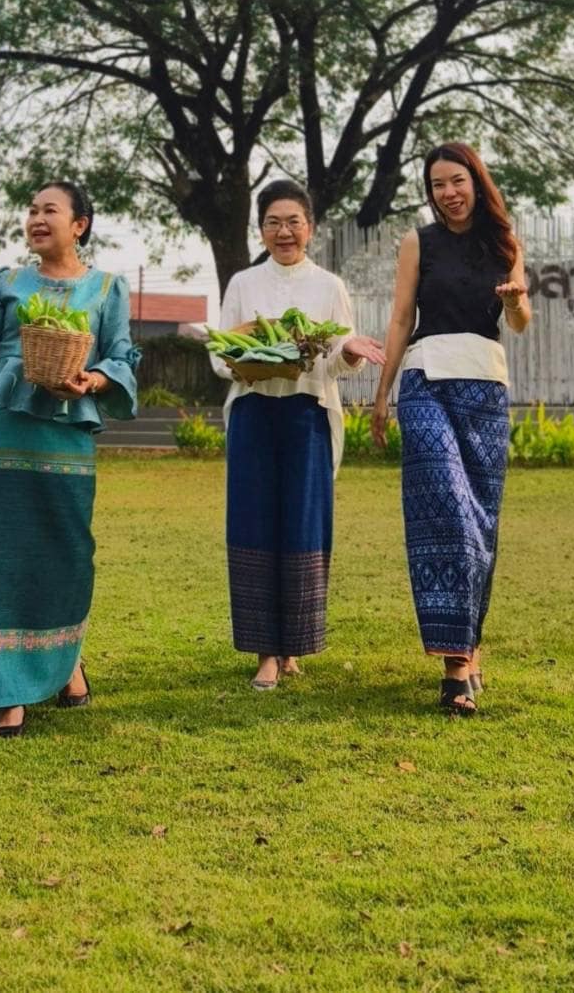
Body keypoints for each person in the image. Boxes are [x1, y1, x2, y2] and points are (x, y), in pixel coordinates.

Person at [0, 181, 139, 738]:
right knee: (3, 558)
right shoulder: (8, 281)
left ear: (80, 225)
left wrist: (93, 377)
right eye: (31, 210)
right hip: (2, 436)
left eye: (50, 210)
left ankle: (65, 660)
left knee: (68, 552)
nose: (36, 218)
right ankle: (9, 693)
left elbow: (120, 357)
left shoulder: (107, 288)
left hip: (67, 437)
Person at [371, 142, 531, 714]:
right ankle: (455, 666)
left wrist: (514, 301)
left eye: (457, 181)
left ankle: (471, 643)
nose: (448, 193)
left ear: (475, 181)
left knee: (480, 521)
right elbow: (399, 318)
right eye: (437, 184)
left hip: (485, 385)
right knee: (444, 511)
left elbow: (520, 319)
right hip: (425, 379)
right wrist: (382, 393)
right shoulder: (419, 241)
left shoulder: (506, 241)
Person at [214, 179, 385, 690]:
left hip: (308, 415)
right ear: (260, 229)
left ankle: (295, 646)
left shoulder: (329, 286)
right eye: (272, 222)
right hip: (253, 414)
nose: (283, 231)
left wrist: (349, 351)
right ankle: (266, 650)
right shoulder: (243, 283)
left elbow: (335, 362)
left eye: (293, 222)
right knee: (254, 526)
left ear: (310, 228)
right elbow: (220, 356)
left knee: (304, 527)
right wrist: (244, 361)